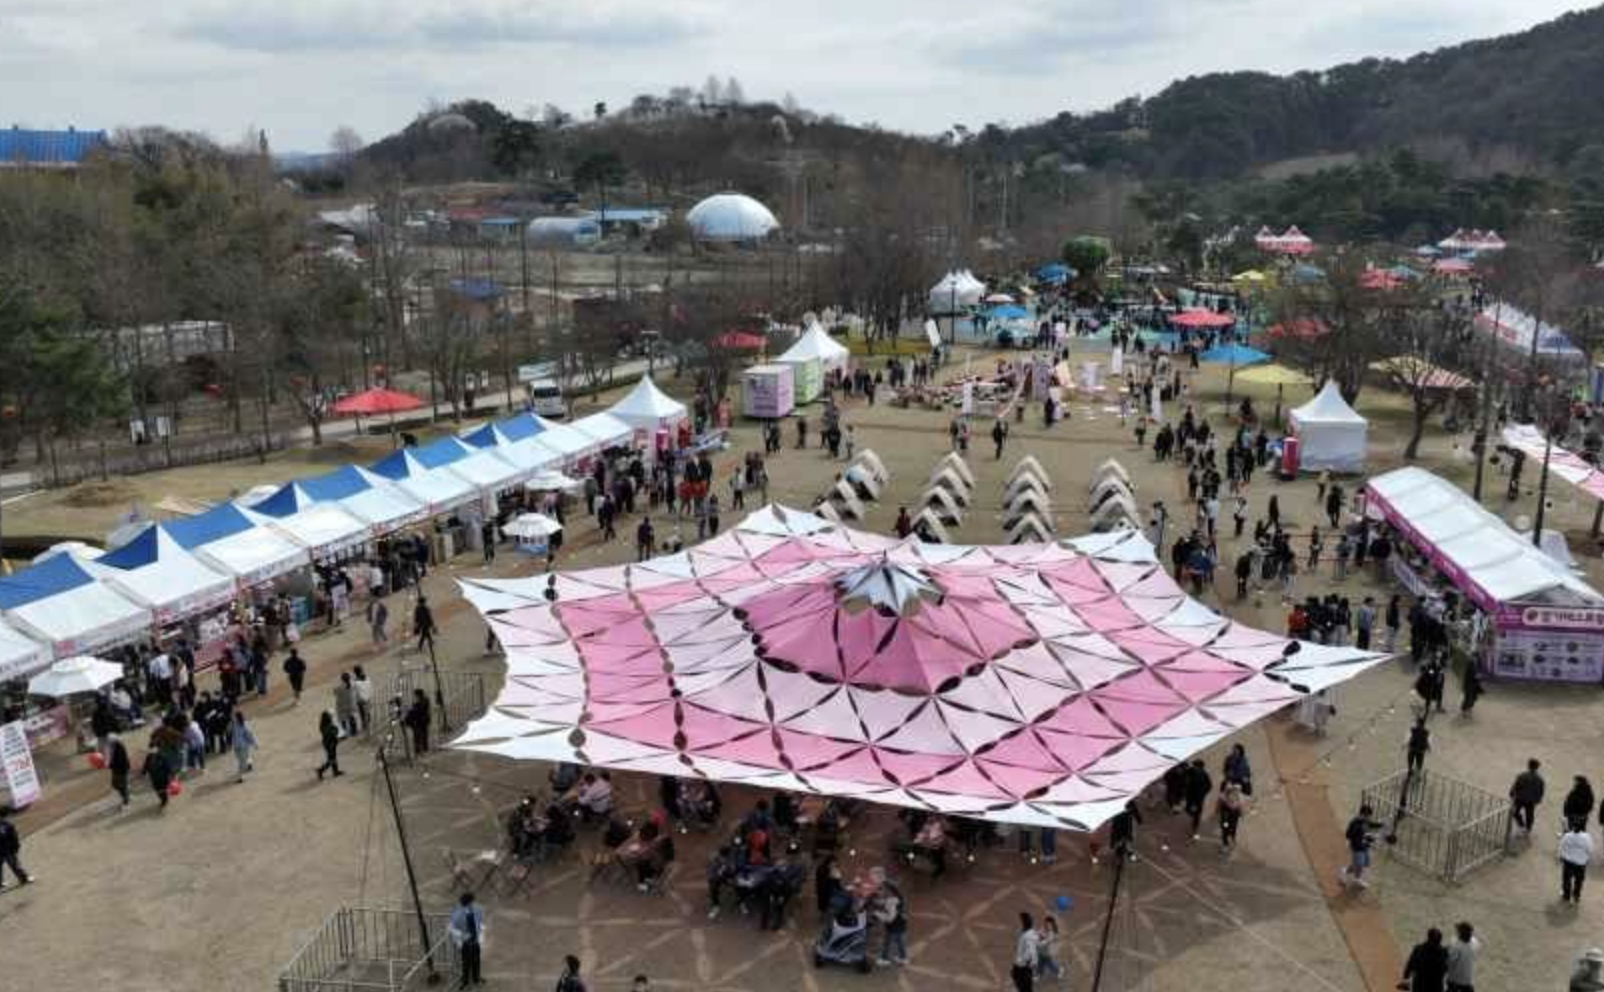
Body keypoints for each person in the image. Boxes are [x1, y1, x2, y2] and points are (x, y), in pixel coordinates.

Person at [449, 892, 486, 988]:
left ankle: (476, 978)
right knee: (466, 963)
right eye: (471, 903)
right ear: (467, 903)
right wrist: (462, 935)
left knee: (476, 960)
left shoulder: (477, 909)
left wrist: (481, 935)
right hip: (465, 943)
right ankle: (465, 981)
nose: (473, 904)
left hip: (475, 940)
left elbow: (481, 922)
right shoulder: (458, 914)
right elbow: (451, 928)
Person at [1339, 803, 1378, 888]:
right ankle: (1357, 879)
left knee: (1363, 863)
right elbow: (1348, 834)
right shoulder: (1355, 822)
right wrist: (1355, 837)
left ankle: (1344, 871)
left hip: (1364, 845)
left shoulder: (1365, 821)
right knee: (1359, 864)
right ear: (1363, 814)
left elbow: (1371, 824)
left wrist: (1381, 824)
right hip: (1357, 847)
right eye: (1368, 816)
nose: (1369, 818)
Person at [1402, 927, 1449, 992]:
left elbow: (1410, 964)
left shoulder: (1418, 949)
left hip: (1419, 985)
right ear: (1440, 940)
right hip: (1436, 986)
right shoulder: (1444, 952)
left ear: (1428, 937)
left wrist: (1406, 977)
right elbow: (1447, 968)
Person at [1509, 759, 1545, 834]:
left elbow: (1516, 786)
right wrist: (1538, 799)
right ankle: (1528, 828)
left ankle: (1521, 824)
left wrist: (1512, 794)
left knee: (1515, 812)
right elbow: (1541, 791)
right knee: (1530, 815)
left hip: (1520, 798)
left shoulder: (1522, 776)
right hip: (1531, 801)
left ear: (1528, 766)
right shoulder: (1540, 779)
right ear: (1537, 767)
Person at [1562, 821, 1593, 904]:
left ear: (1572, 827)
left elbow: (1562, 846)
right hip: (1581, 863)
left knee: (1567, 879)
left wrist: (1562, 856)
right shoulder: (1587, 837)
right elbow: (1590, 849)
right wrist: (1587, 858)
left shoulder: (1567, 836)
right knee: (1579, 880)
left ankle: (1566, 895)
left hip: (1568, 862)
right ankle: (1576, 895)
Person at [1183, 758, 1214, 839]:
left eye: (1196, 766)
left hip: (1198, 797)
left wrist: (1203, 793)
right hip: (1190, 796)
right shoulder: (1190, 771)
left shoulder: (1204, 774)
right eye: (1194, 766)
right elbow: (1184, 775)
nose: (1195, 767)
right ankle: (1193, 815)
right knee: (1188, 809)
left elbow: (1209, 786)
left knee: (1197, 813)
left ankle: (1195, 826)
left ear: (1200, 767)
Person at [0, 810, 31, 889]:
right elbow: (14, 837)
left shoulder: (7, 825)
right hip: (7, 849)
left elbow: (13, 837)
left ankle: (22, 878)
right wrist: (16, 847)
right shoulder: (7, 825)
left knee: (14, 864)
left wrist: (16, 846)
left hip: (5, 849)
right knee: (15, 864)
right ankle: (23, 878)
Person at [1445, 921, 1479, 992]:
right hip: (1468, 978)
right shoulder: (1474, 942)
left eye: (1458, 931)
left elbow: (1450, 961)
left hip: (1455, 978)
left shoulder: (1456, 946)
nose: (1457, 932)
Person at [1011, 912, 1040, 992]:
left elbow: (1030, 952)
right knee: (1019, 979)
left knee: (1018, 978)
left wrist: (1021, 961)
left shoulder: (1028, 936)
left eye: (1020, 922)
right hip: (1025, 966)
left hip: (1023, 966)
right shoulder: (1029, 933)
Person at [315, 711, 344, 780]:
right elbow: (334, 732)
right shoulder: (329, 726)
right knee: (331, 759)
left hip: (327, 743)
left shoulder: (323, 725)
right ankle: (320, 770)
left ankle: (335, 771)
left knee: (332, 758)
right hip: (331, 744)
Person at [1218, 782, 1246, 851]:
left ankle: (1231, 840)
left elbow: (1240, 806)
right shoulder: (1223, 796)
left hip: (1233, 817)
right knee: (1225, 828)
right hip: (1226, 817)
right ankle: (1226, 844)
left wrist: (1242, 813)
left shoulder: (1239, 797)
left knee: (1232, 828)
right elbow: (1219, 804)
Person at [231, 711, 258, 783]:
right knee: (240, 760)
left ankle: (240, 777)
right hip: (236, 747)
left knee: (241, 762)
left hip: (243, 746)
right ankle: (249, 763)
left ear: (238, 718)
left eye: (234, 717)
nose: (233, 718)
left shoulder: (244, 725)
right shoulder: (234, 725)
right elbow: (233, 735)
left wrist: (255, 743)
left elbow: (250, 735)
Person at [107, 733, 132, 808]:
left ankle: (126, 802)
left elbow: (120, 761)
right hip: (117, 770)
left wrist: (110, 765)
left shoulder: (119, 747)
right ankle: (126, 796)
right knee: (115, 784)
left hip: (121, 770)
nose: (109, 743)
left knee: (122, 785)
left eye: (110, 742)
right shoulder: (114, 747)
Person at [404, 689, 432, 756]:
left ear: (418, 695)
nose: (415, 696)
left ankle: (422, 750)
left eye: (415, 695)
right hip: (419, 721)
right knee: (419, 736)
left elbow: (419, 710)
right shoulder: (419, 701)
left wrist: (411, 709)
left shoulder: (423, 701)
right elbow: (415, 710)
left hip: (421, 721)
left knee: (421, 736)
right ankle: (420, 750)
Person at [1035, 915, 1061, 982]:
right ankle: (1039, 974)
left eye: (1049, 924)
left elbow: (1045, 942)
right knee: (1040, 963)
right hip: (1041, 951)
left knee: (1050, 965)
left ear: (1052, 924)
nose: (1047, 925)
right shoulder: (1042, 929)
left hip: (1047, 953)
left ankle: (1059, 970)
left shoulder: (1052, 933)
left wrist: (1038, 943)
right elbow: (1037, 934)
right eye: (1046, 923)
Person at [352, 665, 374, 734]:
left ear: (355, 672)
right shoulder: (367, 678)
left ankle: (365, 725)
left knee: (362, 714)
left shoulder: (356, 682)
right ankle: (368, 724)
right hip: (367, 697)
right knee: (367, 711)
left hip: (361, 700)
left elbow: (355, 691)